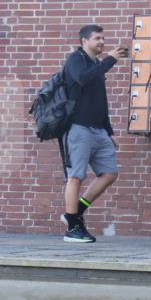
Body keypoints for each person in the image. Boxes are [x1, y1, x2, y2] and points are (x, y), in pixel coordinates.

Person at [58, 24, 125, 243]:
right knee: (75, 176)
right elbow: (82, 79)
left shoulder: (96, 64)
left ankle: (74, 212)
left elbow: (100, 101)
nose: (102, 42)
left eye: (103, 38)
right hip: (78, 129)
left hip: (98, 130)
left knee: (109, 173)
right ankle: (73, 229)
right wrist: (110, 60)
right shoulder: (75, 59)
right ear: (84, 41)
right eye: (97, 38)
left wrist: (109, 131)